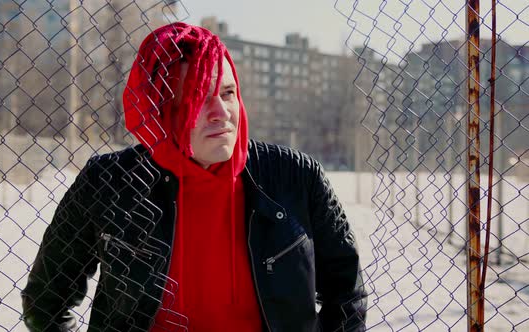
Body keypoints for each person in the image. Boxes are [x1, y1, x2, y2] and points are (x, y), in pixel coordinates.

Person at [21, 22, 367, 332]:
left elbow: (346, 292)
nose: (221, 113)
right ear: (157, 108)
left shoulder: (294, 176)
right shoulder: (109, 183)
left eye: (228, 93)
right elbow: (46, 301)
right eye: (198, 98)